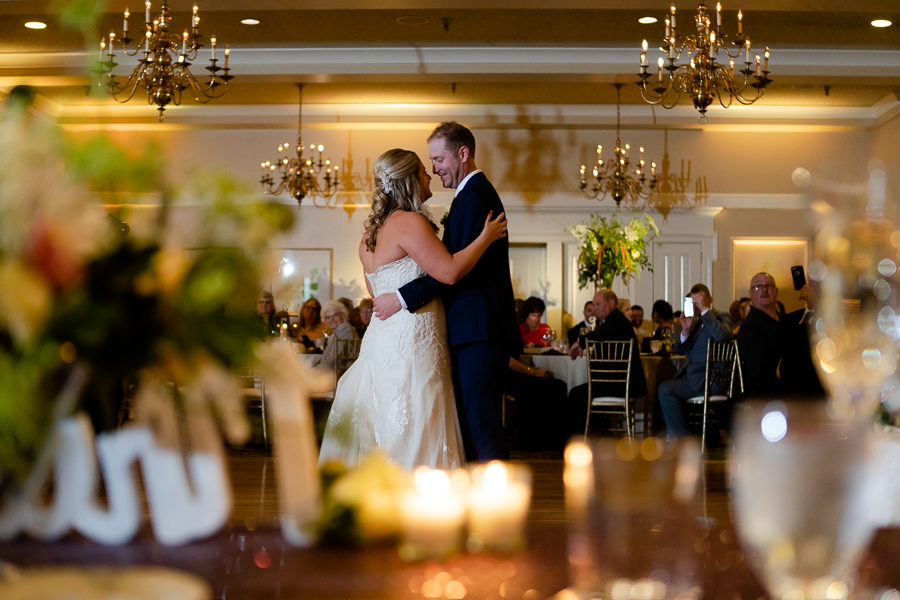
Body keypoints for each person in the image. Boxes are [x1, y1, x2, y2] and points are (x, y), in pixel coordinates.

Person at [318, 147, 508, 469]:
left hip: (381, 339)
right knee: (418, 414)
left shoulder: (368, 236)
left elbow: (376, 292)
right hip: (414, 339)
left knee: (385, 416)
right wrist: (484, 239)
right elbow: (448, 272)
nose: (430, 174)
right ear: (409, 181)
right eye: (423, 171)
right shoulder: (410, 222)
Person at [371, 122, 518, 462]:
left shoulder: (475, 196)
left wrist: (402, 297)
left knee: (482, 426)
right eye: (430, 163)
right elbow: (450, 265)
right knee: (474, 423)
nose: (435, 170)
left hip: (478, 331)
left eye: (438, 160)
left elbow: (450, 270)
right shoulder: (468, 196)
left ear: (463, 153)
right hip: (472, 330)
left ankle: (497, 505)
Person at [566, 289, 648, 435]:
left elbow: (599, 335)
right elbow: (601, 337)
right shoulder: (613, 321)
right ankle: (597, 436)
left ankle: (576, 441)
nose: (595, 308)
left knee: (576, 394)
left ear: (611, 303)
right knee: (581, 392)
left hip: (621, 385)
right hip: (617, 383)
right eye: (593, 304)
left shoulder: (616, 321)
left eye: (598, 304)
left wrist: (579, 342)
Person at [657, 283, 732, 437]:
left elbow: (722, 336)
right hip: (693, 377)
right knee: (662, 387)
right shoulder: (694, 322)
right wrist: (685, 331)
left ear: (710, 300)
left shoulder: (721, 317)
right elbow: (679, 350)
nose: (696, 306)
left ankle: (680, 439)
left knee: (665, 390)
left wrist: (705, 311)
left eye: (700, 301)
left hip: (711, 380)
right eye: (694, 302)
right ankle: (682, 435)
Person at [737, 272, 781, 396]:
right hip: (763, 394)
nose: (764, 289)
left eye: (769, 285)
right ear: (750, 294)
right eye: (757, 287)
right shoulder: (750, 326)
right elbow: (756, 374)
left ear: (776, 291)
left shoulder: (784, 321)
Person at [778, 281, 825, 398]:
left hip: (817, 391)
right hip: (789, 391)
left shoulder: (830, 320)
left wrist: (817, 306)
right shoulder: (789, 319)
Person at [310, 300, 359, 372]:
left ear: (343, 314)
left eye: (335, 315)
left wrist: (315, 370)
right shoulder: (338, 331)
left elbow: (333, 359)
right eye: (327, 317)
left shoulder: (345, 329)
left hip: (339, 374)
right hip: (334, 372)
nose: (331, 319)